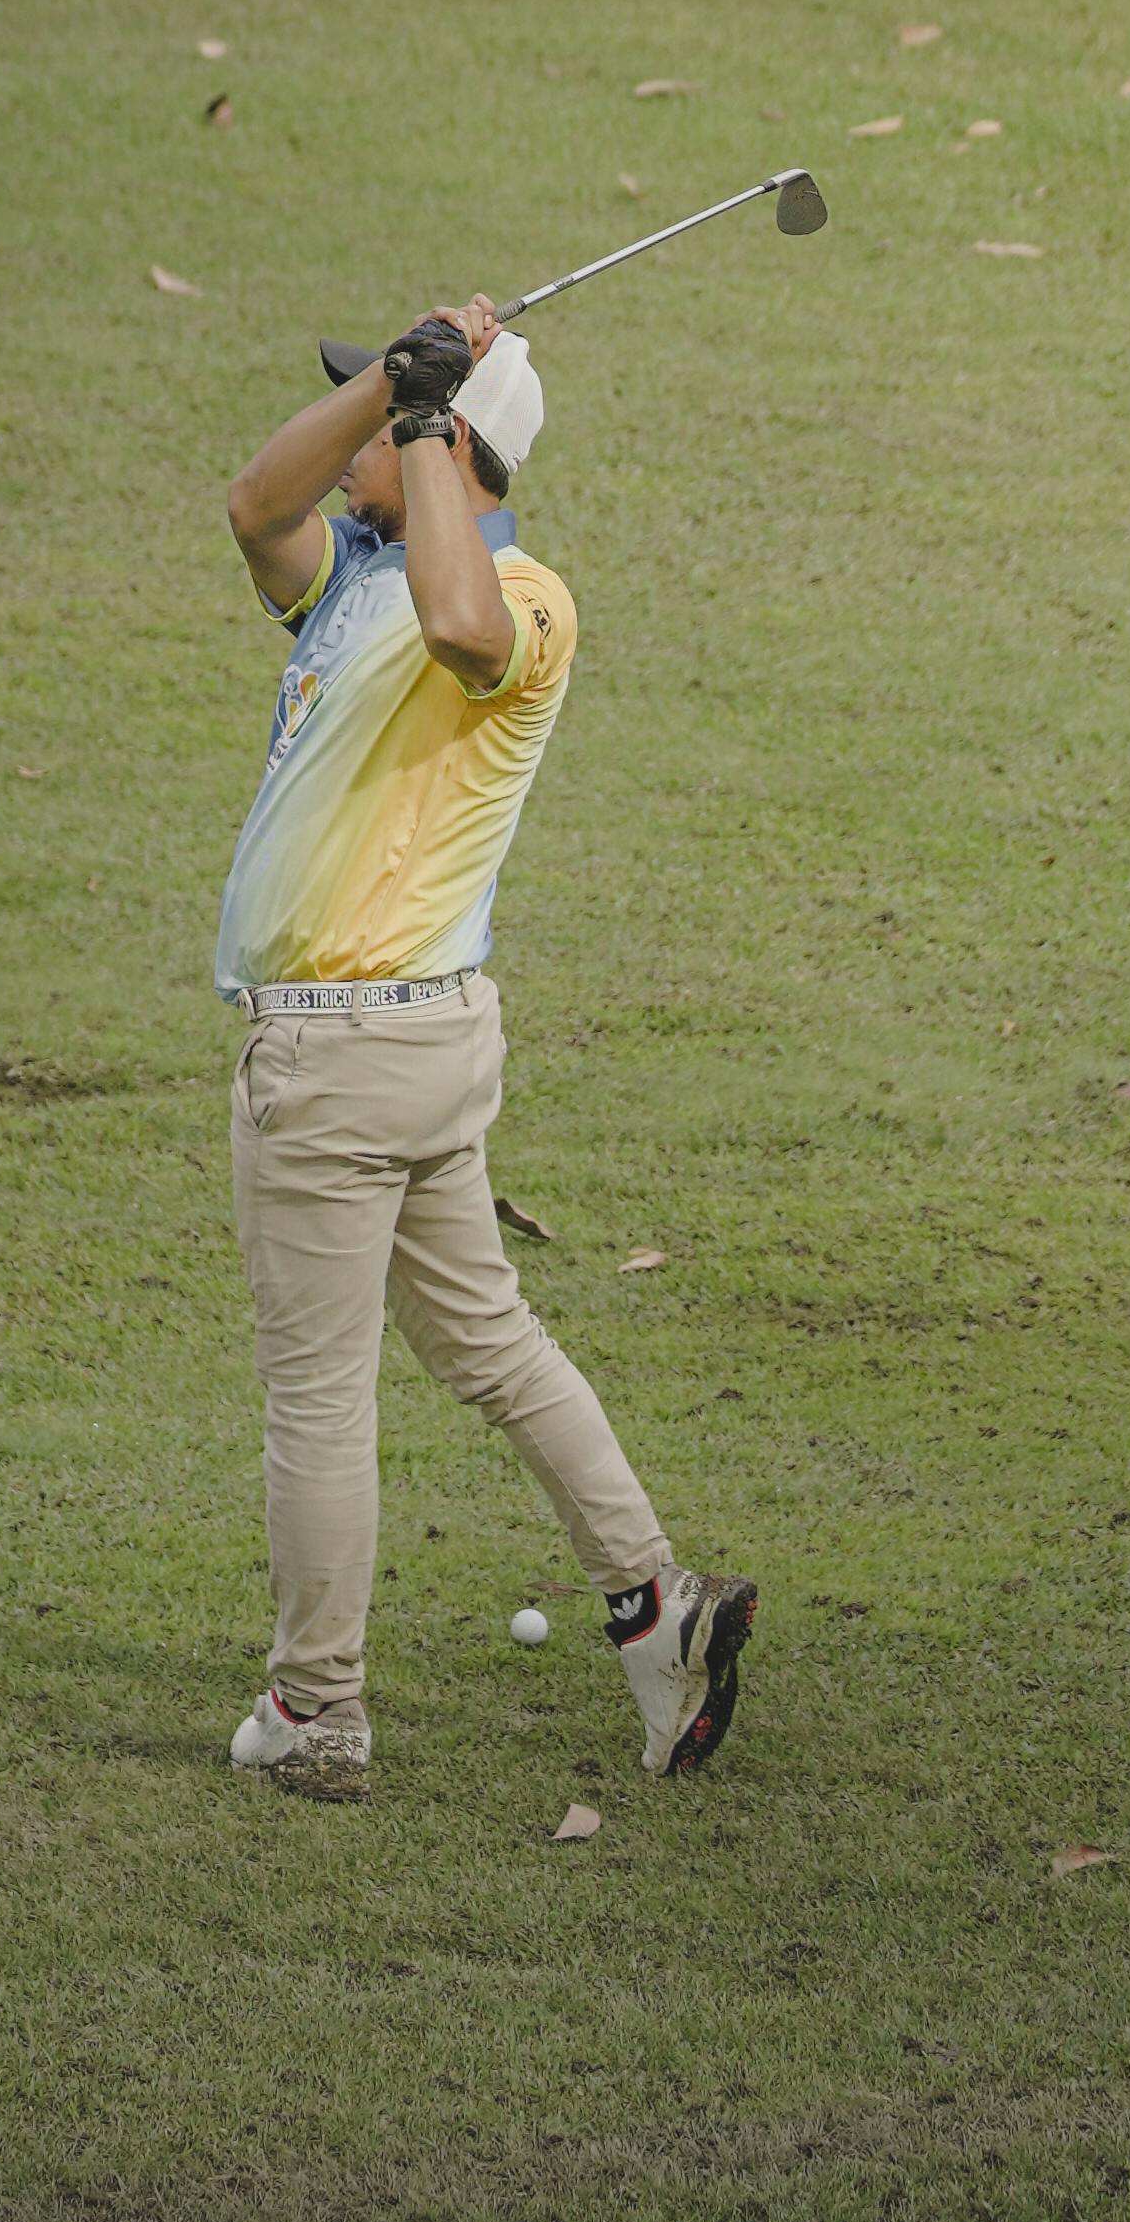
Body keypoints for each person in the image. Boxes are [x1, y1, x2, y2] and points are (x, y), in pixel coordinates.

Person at [211, 294, 756, 1803]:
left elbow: (465, 626)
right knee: (488, 1343)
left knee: (318, 1396)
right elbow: (254, 500)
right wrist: (397, 381)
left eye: (385, 421)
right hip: (410, 1054)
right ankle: (660, 1610)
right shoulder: (343, 578)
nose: (352, 443)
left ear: (452, 448)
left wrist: (418, 428)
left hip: (340, 1063)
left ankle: (317, 1713)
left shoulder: (528, 607)